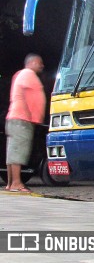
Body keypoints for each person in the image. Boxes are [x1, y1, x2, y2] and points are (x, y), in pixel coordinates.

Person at [5, 53, 46, 193]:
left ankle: (11, 184)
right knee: (18, 151)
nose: (42, 66)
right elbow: (30, 97)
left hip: (14, 117)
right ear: (33, 62)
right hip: (21, 119)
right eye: (39, 63)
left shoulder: (19, 74)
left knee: (13, 151)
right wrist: (32, 115)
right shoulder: (28, 74)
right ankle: (16, 183)